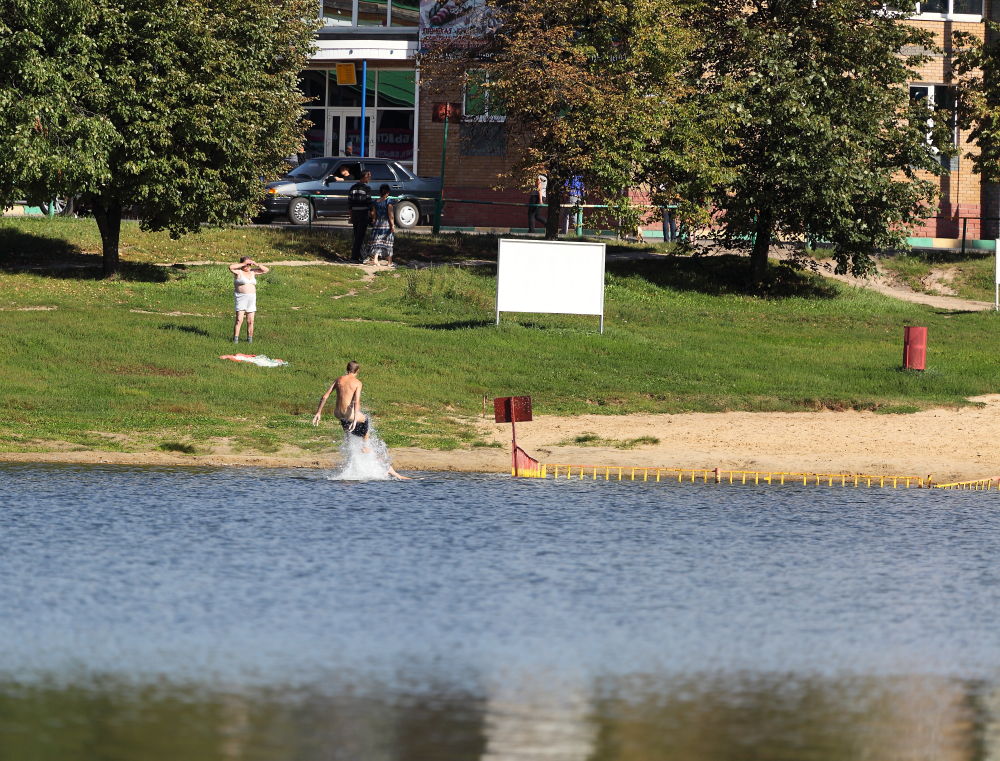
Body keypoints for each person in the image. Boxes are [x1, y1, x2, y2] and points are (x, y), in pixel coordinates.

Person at [313, 360, 370, 449]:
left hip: (337, 413)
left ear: (347, 369)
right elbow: (356, 401)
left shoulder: (339, 379)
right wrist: (355, 420)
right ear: (357, 371)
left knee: (346, 425)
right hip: (348, 414)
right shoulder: (357, 383)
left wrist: (318, 413)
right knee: (365, 419)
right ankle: (365, 447)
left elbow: (325, 397)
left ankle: (348, 445)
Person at [228, 257, 270, 343]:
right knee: (239, 319)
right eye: (247, 264)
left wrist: (256, 263)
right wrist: (244, 264)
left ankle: (249, 340)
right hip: (241, 298)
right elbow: (231, 267)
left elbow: (266, 270)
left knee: (251, 321)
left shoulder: (253, 272)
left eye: (249, 264)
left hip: (251, 299)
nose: (248, 266)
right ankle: (235, 339)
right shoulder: (239, 272)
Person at [365, 184, 396, 266]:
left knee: (377, 242)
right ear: (388, 192)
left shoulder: (376, 202)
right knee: (388, 242)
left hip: (378, 224)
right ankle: (389, 262)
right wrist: (392, 225)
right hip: (386, 224)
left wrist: (374, 220)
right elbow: (390, 215)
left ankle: (375, 259)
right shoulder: (388, 201)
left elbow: (373, 214)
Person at [348, 171, 374, 262]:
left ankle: (358, 256)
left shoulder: (352, 188)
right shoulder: (367, 188)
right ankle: (359, 257)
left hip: (355, 214)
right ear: (364, 177)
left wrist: (351, 216)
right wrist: (372, 214)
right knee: (360, 236)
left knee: (357, 235)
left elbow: (350, 203)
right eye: (369, 176)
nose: (370, 178)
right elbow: (369, 202)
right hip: (363, 213)